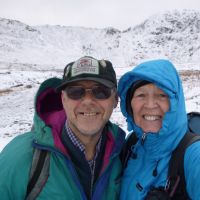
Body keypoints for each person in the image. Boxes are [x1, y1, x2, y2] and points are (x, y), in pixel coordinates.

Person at [0, 56, 125, 200]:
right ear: (63, 99)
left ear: (115, 99)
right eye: (75, 92)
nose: (88, 101)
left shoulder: (123, 153)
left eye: (101, 92)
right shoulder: (22, 157)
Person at [118, 59, 200, 200]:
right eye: (141, 95)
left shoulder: (194, 156)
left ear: (175, 103)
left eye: (162, 95)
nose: (150, 105)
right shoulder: (131, 145)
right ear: (129, 104)